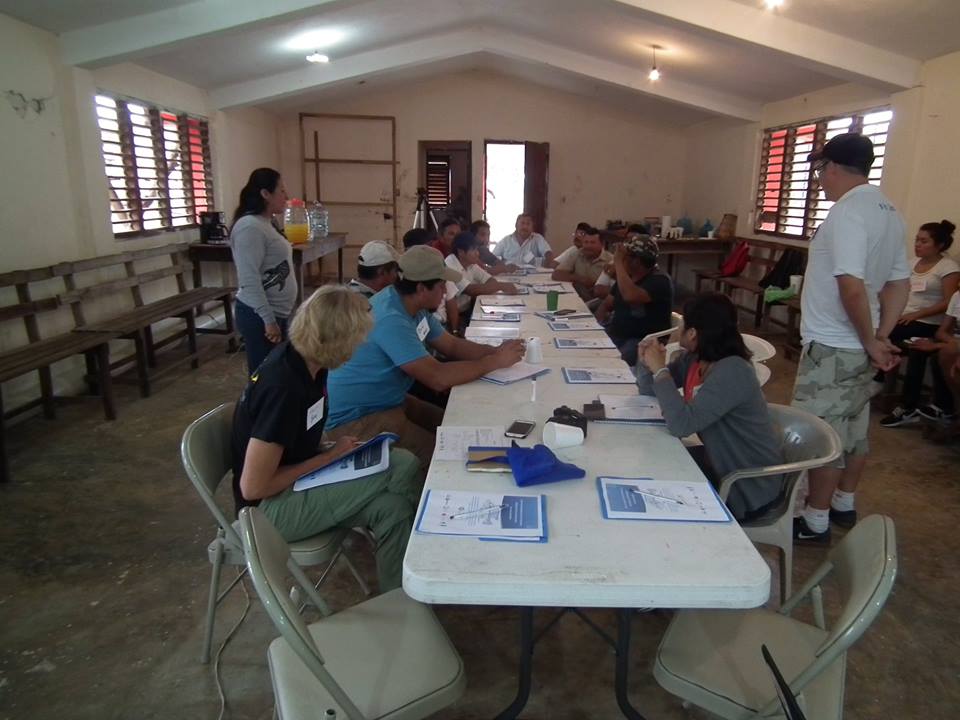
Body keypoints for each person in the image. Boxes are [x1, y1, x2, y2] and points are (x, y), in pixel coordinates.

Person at [231, 286, 421, 592]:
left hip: (296, 486)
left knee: (393, 508)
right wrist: (329, 458)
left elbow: (294, 439)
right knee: (404, 464)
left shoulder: (308, 364)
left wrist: (332, 451)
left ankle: (399, 597)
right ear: (336, 340)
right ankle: (432, 553)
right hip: (267, 513)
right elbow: (253, 487)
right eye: (357, 338)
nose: (361, 345)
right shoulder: (284, 388)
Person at [791, 133, 910, 544]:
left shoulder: (846, 212)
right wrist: (880, 336)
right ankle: (844, 503)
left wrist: (872, 340)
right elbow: (899, 283)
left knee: (822, 435)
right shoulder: (890, 212)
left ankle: (815, 520)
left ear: (832, 167)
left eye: (820, 170)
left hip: (832, 345)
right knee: (855, 430)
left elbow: (851, 286)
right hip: (859, 344)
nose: (821, 180)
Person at [326, 246, 526, 467]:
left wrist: (496, 350)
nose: (445, 291)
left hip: (388, 401)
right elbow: (437, 377)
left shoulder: (411, 303)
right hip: (358, 419)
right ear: (421, 288)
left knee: (455, 424)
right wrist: (494, 361)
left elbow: (452, 345)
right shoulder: (390, 318)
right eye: (441, 285)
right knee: (446, 458)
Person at [636, 293, 783, 521]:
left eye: (683, 323)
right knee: (647, 464)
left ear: (693, 333)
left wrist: (661, 371)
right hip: (717, 461)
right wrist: (646, 362)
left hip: (744, 485)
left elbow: (681, 425)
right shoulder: (695, 359)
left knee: (655, 487)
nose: (678, 328)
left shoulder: (733, 371)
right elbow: (648, 390)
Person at [879, 220, 959, 427]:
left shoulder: (948, 267)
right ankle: (877, 377)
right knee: (877, 327)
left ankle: (884, 384)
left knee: (889, 334)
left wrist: (917, 314)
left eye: (924, 241)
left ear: (939, 245)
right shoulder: (911, 263)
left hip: (928, 322)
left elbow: (950, 301)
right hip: (904, 318)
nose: (917, 245)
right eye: (916, 240)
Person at [230, 168, 297, 372]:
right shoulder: (249, 227)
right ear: (265, 194)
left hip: (276, 313)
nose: (286, 196)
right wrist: (268, 320)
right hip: (260, 316)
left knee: (276, 373)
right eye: (281, 190)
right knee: (263, 376)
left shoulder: (266, 223)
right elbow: (249, 279)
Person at [595, 234, 673, 365]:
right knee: (592, 353)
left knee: (613, 363)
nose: (621, 260)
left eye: (625, 257)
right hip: (617, 333)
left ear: (636, 261)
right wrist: (594, 327)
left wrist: (618, 263)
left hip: (643, 340)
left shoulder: (660, 280)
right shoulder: (628, 278)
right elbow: (607, 304)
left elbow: (630, 296)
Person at [443, 232, 518, 331]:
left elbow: (490, 279)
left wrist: (492, 286)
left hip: (469, 309)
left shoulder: (470, 263)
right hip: (454, 317)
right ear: (461, 252)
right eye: (473, 250)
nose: (477, 253)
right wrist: (500, 286)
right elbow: (470, 290)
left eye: (477, 249)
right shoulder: (450, 265)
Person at [911, 289, 960, 432]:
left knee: (946, 353)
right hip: (954, 346)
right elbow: (941, 332)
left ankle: (949, 412)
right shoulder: (957, 296)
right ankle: (946, 410)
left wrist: (942, 345)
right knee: (932, 353)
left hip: (953, 348)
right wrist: (953, 344)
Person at [551, 225, 613, 300]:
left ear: (602, 244)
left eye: (592, 242)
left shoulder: (611, 260)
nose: (588, 246)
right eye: (586, 242)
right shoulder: (577, 253)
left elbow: (613, 290)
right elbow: (556, 274)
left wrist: (594, 285)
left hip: (598, 301)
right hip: (576, 298)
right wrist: (580, 279)